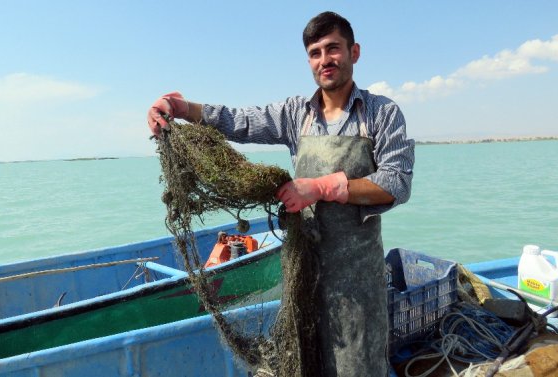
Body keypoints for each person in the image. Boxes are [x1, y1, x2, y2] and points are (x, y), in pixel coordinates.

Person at [148, 11, 414, 377]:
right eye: (315, 53)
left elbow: (396, 183)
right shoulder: (295, 114)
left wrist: (321, 187)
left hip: (357, 278)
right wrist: (180, 108)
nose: (325, 60)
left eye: (333, 49)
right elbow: (237, 121)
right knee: (306, 360)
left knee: (359, 364)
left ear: (354, 51)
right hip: (303, 271)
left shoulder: (382, 114)